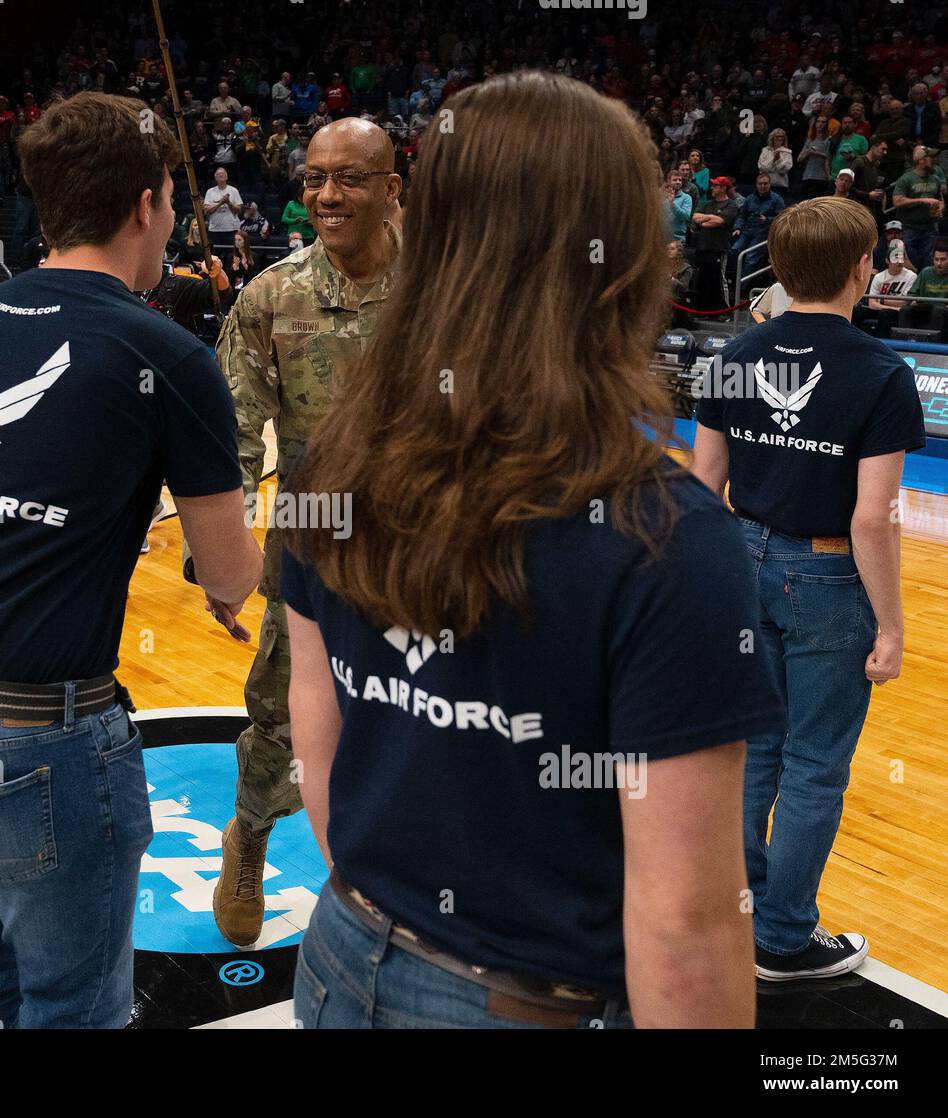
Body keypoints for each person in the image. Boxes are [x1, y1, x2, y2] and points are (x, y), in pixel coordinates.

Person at [285, 72, 782, 1030]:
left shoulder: (333, 456)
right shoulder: (666, 539)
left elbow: (320, 719)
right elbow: (685, 929)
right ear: (624, 252)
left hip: (343, 949)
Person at [0, 92, 261, 1028]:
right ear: (147, 203)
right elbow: (231, 576)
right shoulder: (169, 354)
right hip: (33, 741)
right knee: (74, 1007)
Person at [693, 197, 925, 981]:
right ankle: (784, 940)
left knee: (756, 752)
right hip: (827, 579)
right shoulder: (882, 372)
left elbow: (704, 485)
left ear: (780, 270)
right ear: (864, 268)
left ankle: (743, 915)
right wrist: (890, 627)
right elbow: (872, 520)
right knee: (816, 766)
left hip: (742, 562)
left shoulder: (734, 353)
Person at [194, 117, 402, 948]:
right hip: (313, 539)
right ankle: (249, 836)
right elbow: (233, 438)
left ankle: (391, 868)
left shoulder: (444, 293)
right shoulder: (272, 296)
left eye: (347, 178)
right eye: (314, 179)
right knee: (276, 709)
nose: (324, 195)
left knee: (417, 712)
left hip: (422, 545)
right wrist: (222, 559)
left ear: (392, 189)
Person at [688, 175, 739, 311]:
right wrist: (710, 218)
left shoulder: (731, 205)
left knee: (720, 281)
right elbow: (695, 217)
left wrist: (707, 220)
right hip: (703, 247)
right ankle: (704, 309)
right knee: (703, 281)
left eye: (715, 186)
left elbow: (720, 221)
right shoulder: (708, 204)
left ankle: (725, 309)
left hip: (719, 248)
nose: (712, 188)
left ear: (723, 188)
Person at [891, 145, 946, 269]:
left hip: (930, 228)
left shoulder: (935, 178)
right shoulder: (907, 178)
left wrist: (941, 207)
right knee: (910, 265)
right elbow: (897, 201)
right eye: (930, 158)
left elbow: (940, 200)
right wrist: (923, 200)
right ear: (921, 160)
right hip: (910, 228)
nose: (934, 160)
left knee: (928, 264)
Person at [899, 243, 948, 335]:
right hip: (924, 306)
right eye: (936, 259)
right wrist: (913, 301)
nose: (939, 263)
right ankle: (904, 339)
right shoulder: (926, 272)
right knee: (905, 310)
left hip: (943, 309)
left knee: (938, 310)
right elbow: (912, 294)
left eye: (943, 259)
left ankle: (932, 341)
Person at [203, 166, 242, 235]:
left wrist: (228, 202)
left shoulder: (234, 190)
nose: (221, 175)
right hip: (214, 229)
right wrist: (220, 203)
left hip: (232, 228)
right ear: (215, 178)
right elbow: (207, 210)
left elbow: (239, 210)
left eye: (223, 173)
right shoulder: (210, 191)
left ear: (226, 177)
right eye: (218, 174)